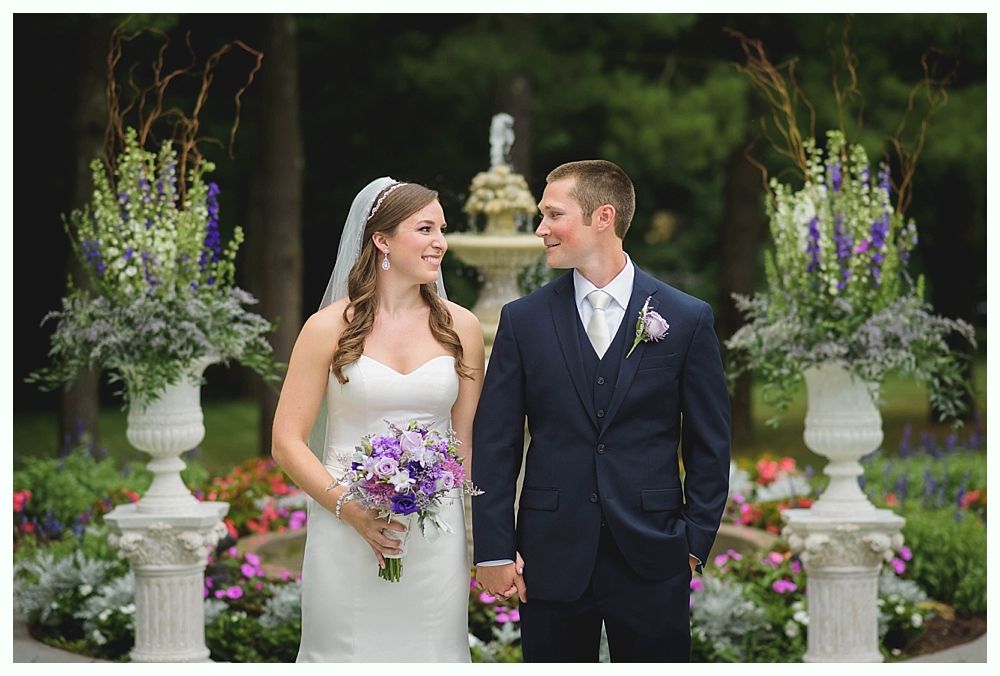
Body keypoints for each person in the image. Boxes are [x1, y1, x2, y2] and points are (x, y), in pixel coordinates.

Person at [472, 160, 731, 662]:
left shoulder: (686, 317)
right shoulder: (522, 320)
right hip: (550, 555)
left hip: (654, 554)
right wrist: (495, 550)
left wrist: (694, 543)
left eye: (553, 214)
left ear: (603, 217)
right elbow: (496, 442)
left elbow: (710, 441)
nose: (541, 228)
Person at [271, 178, 485, 662]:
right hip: (344, 525)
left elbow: (465, 442)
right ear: (382, 240)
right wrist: (352, 511)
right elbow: (286, 441)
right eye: (425, 228)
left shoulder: (462, 327)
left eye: (442, 229)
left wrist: (486, 539)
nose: (440, 242)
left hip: (434, 534)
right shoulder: (327, 328)